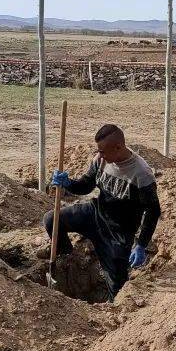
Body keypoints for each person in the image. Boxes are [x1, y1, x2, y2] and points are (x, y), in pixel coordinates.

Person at [44, 124, 161, 300]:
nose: (100, 155)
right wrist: (69, 183)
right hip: (96, 213)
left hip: (119, 231)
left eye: (103, 151)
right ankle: (66, 256)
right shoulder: (100, 160)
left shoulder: (141, 173)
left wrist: (141, 244)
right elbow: (86, 185)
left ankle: (112, 308)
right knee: (52, 219)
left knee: (117, 286)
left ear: (119, 147)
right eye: (98, 151)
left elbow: (153, 211)